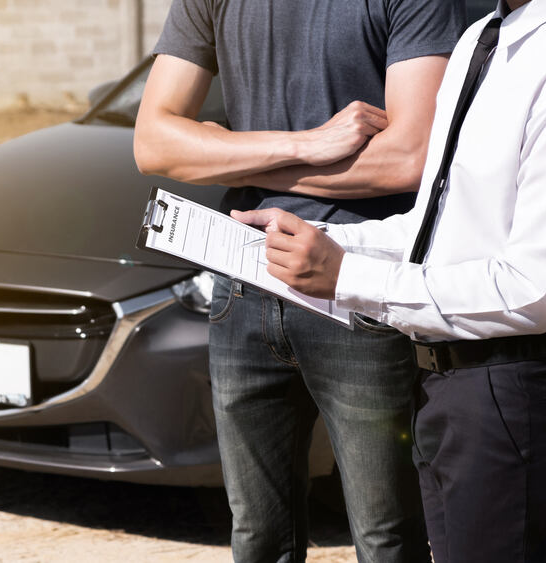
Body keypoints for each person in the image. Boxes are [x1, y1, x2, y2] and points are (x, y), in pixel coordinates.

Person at [233, 0, 546, 560]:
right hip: (447, 389)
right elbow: (436, 229)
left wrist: (345, 274)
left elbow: (532, 290)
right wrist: (319, 240)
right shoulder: (484, 35)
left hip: (516, 394)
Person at [134, 1, 465, 561]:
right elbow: (154, 144)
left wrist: (228, 155)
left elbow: (411, 156)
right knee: (258, 535)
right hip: (242, 279)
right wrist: (306, 143)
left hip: (358, 286)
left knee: (387, 536)